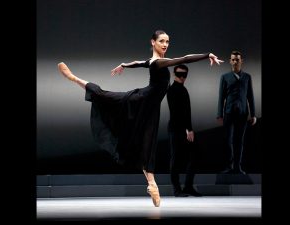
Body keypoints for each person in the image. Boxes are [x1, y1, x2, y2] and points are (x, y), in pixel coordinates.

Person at [58, 30, 224, 207]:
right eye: (161, 41)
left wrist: (125, 65)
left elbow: (140, 62)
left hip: (151, 109)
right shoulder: (159, 62)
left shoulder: (154, 61)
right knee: (106, 96)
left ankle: (152, 185)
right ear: (153, 42)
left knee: (147, 142)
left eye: (168, 41)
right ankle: (73, 78)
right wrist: (207, 55)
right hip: (141, 100)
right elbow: (183, 59)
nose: (165, 44)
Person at [217, 50, 257, 174]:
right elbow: (221, 97)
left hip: (242, 113)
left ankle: (237, 167)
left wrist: (253, 114)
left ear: (241, 61)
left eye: (237, 59)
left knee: (239, 141)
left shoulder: (247, 77)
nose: (235, 61)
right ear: (230, 61)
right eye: (233, 59)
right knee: (228, 140)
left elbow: (250, 96)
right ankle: (229, 166)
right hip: (228, 112)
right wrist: (219, 114)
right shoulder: (225, 77)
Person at [167, 64, 202, 197]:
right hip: (176, 129)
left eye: (184, 75)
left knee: (193, 156)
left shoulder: (183, 89)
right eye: (179, 74)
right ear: (174, 74)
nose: (182, 77)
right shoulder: (173, 90)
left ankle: (187, 187)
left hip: (183, 129)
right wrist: (188, 129)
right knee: (175, 159)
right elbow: (177, 113)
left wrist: (189, 129)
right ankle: (177, 190)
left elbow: (187, 112)